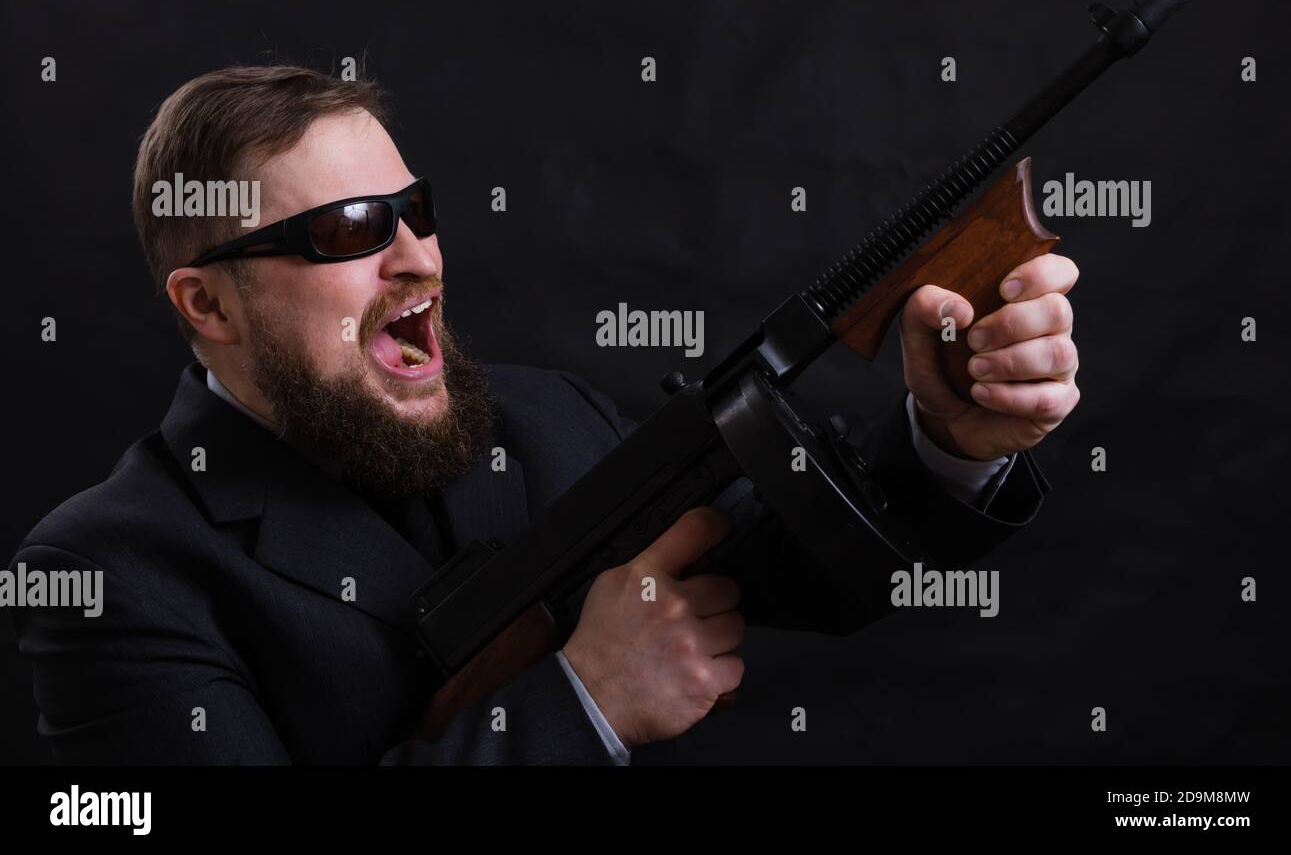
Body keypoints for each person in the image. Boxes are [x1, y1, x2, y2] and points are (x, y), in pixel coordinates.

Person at [10, 66, 1079, 764]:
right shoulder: (110, 573)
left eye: (413, 212)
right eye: (345, 231)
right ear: (206, 302)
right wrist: (583, 704)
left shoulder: (541, 414)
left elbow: (808, 571)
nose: (416, 257)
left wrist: (949, 437)